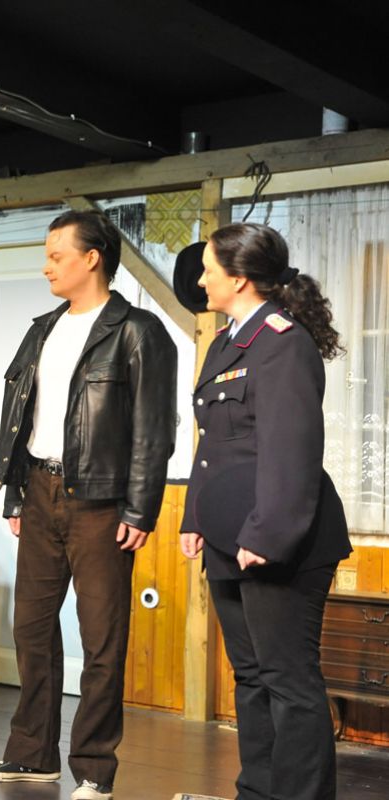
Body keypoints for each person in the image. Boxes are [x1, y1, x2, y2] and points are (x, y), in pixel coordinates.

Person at [0, 210, 178, 800]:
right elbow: (22, 417)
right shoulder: (42, 329)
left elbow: (154, 428)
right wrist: (15, 491)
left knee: (101, 639)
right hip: (39, 490)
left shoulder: (137, 331)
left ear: (92, 258)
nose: (47, 267)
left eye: (56, 255)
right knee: (31, 629)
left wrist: (140, 508)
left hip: (102, 500)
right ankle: (32, 755)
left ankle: (93, 769)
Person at [178, 223, 351, 800]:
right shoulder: (226, 342)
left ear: (239, 278)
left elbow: (291, 449)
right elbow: (214, 443)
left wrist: (268, 534)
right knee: (251, 675)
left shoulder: (283, 342)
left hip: (278, 538)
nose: (201, 280)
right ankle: (257, 792)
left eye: (209, 269)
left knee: (287, 679)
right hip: (229, 536)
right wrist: (194, 518)